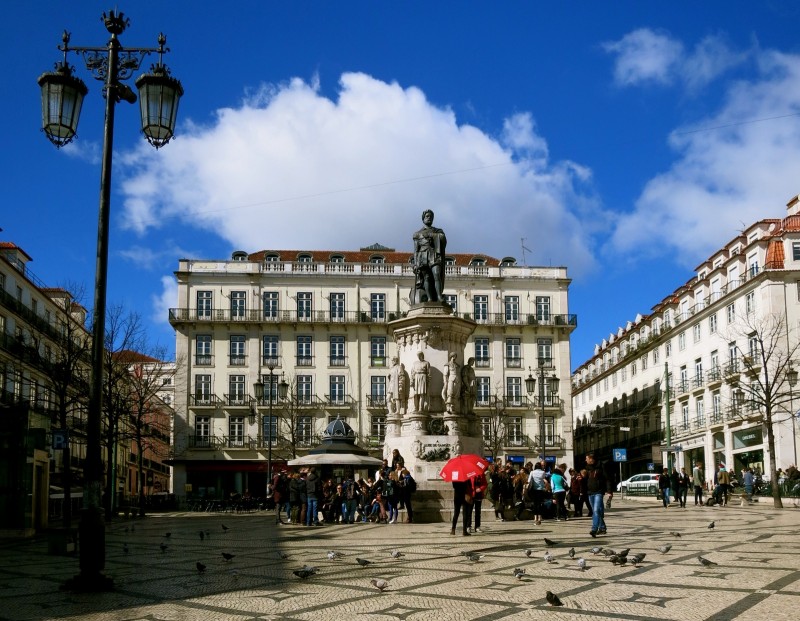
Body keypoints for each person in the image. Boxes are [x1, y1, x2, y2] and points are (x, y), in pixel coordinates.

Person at [411, 209, 447, 304]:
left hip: (434, 255)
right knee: (426, 277)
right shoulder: (417, 234)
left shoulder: (437, 231)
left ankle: (439, 296)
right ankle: (430, 298)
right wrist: (415, 264)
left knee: (436, 274)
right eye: (427, 216)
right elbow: (415, 250)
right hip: (422, 256)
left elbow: (443, 239)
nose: (429, 218)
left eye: (431, 216)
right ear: (423, 219)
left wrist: (433, 235)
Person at [585, 452, 613, 537]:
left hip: (599, 492)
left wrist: (609, 491)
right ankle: (602, 527)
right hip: (590, 492)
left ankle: (594, 529)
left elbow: (608, 479)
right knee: (596, 511)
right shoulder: (587, 468)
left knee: (596, 510)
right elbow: (586, 480)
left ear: (591, 459)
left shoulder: (601, 466)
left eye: (587, 458)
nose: (585, 460)